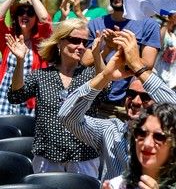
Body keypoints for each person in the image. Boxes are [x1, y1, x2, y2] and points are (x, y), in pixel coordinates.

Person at [58, 29, 176, 180]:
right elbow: (66, 116)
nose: (136, 102)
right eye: (131, 94)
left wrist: (137, 66)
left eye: (145, 97)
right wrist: (105, 76)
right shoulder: (110, 130)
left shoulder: (166, 136)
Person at [7, 18, 105, 177]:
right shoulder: (41, 76)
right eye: (74, 40)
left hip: (83, 157)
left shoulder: (90, 76)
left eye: (84, 42)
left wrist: (97, 56)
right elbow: (16, 96)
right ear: (59, 42)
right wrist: (20, 61)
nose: (80, 46)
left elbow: (105, 91)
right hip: (47, 157)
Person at [81, 0, 160, 118]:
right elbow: (86, 61)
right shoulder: (95, 25)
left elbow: (147, 65)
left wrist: (122, 49)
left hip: (131, 107)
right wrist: (107, 48)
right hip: (97, 106)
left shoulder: (149, 25)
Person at [0, 0, 51, 115]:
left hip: (29, 99)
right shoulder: (9, 38)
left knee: (27, 136)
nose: (25, 15)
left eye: (30, 12)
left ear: (35, 18)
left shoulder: (40, 41)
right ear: (15, 16)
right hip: (4, 95)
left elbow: (45, 19)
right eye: (21, 11)